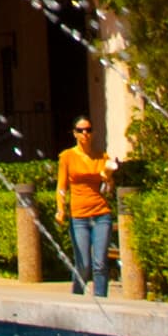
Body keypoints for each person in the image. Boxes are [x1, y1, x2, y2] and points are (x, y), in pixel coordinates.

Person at [56, 117, 119, 297]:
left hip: (101, 215)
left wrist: (108, 180)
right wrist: (60, 208)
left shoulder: (102, 157)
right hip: (79, 217)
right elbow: (61, 187)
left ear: (92, 133)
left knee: (100, 264)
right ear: (74, 133)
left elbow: (108, 190)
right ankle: (77, 298)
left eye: (88, 130)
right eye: (81, 130)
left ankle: (101, 301)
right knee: (83, 265)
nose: (85, 133)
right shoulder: (67, 156)